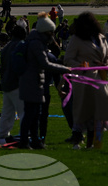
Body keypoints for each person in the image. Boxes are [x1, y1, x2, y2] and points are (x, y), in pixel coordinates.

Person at [19, 15, 71, 149]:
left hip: (34, 82)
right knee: (31, 114)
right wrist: (65, 69)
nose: (53, 35)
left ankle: (35, 140)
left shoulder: (35, 41)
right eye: (51, 32)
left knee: (35, 114)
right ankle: (25, 141)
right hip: (32, 82)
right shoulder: (37, 44)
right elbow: (45, 64)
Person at [64, 12, 108, 149]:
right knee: (84, 111)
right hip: (83, 80)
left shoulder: (101, 38)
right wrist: (79, 66)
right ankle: (78, 139)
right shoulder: (76, 39)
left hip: (100, 78)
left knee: (100, 109)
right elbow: (68, 58)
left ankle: (95, 142)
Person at [0, 24, 27, 145]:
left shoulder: (6, 48)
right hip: (17, 83)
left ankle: (2, 136)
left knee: (7, 113)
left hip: (6, 83)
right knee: (23, 112)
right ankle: (26, 136)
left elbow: (2, 68)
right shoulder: (21, 46)